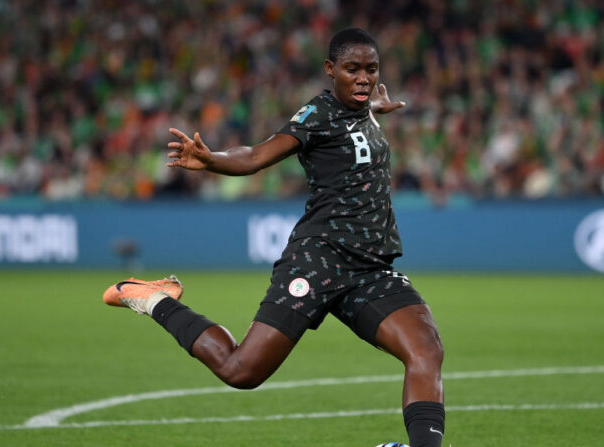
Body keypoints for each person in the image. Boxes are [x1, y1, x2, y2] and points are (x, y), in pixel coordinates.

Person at [102, 28, 445, 447]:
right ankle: (153, 299)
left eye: (371, 70)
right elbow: (256, 155)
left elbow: (359, 113)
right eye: (352, 69)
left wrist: (374, 106)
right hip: (320, 261)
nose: (363, 78)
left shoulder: (363, 106)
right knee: (240, 371)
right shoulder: (316, 115)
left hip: (370, 268)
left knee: (426, 350)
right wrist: (212, 160)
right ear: (330, 69)